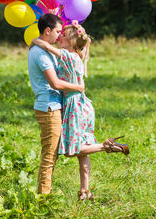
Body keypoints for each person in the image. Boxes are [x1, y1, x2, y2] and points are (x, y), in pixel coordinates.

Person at [32, 20, 129, 200]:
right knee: (83, 150)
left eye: (63, 35)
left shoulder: (69, 56)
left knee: (73, 150)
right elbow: (79, 46)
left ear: (70, 42)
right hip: (81, 105)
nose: (60, 37)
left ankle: (106, 146)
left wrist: (39, 42)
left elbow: (50, 48)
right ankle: (85, 191)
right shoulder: (78, 54)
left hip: (74, 106)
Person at [28, 14, 84, 195]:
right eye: (58, 31)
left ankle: (44, 193)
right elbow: (56, 84)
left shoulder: (43, 49)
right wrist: (79, 87)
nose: (60, 35)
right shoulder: (41, 54)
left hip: (51, 105)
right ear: (47, 31)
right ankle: (43, 199)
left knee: (52, 155)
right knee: (49, 156)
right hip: (49, 107)